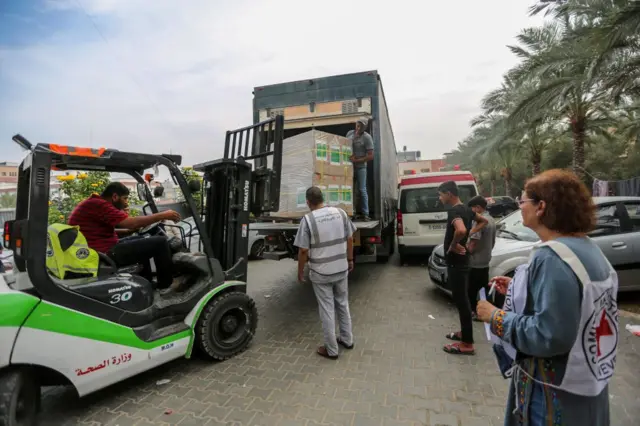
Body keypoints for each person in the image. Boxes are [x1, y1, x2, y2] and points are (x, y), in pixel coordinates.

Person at [476, 169, 617, 426]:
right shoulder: (587, 248)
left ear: (541, 207)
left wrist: (495, 316)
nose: (520, 207)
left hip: (553, 398)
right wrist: (523, 289)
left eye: (523, 201)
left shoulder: (552, 257)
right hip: (588, 386)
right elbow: (575, 304)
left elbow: (549, 334)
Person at [68, 182, 181, 289]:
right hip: (103, 253)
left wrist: (127, 232)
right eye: (125, 198)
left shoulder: (95, 203)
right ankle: (166, 286)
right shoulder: (99, 204)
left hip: (100, 249)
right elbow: (131, 223)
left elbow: (100, 231)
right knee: (160, 242)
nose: (126, 202)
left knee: (143, 239)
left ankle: (147, 284)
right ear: (115, 197)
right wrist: (163, 215)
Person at [294, 186, 356, 360]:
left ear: (308, 202)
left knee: (327, 309)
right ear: (323, 198)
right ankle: (347, 339)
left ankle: (331, 350)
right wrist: (350, 260)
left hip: (321, 273)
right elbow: (350, 238)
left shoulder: (307, 220)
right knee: (343, 304)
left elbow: (304, 251)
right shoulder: (341, 213)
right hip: (341, 268)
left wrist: (300, 272)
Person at [438, 181, 488, 356]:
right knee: (464, 300)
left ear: (449, 194)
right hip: (463, 261)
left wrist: (453, 245)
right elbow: (484, 221)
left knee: (462, 301)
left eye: (441, 194)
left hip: (456, 263)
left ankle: (467, 344)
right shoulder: (467, 209)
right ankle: (465, 333)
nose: (440, 197)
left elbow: (459, 230)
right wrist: (469, 233)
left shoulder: (455, 211)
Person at [466, 196, 496, 321]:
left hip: (475, 262)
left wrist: (464, 251)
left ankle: (474, 312)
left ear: (478, 208)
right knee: (483, 288)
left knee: (471, 290)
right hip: (485, 260)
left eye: (472, 209)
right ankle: (485, 313)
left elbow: (472, 244)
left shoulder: (479, 222)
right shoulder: (492, 220)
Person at [346, 118, 374, 220]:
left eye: (361, 126)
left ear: (364, 127)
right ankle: (351, 212)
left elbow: (371, 156)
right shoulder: (350, 134)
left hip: (361, 167)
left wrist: (357, 160)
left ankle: (365, 214)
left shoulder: (367, 138)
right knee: (350, 190)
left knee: (362, 189)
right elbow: (344, 146)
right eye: (357, 125)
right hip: (349, 166)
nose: (358, 127)